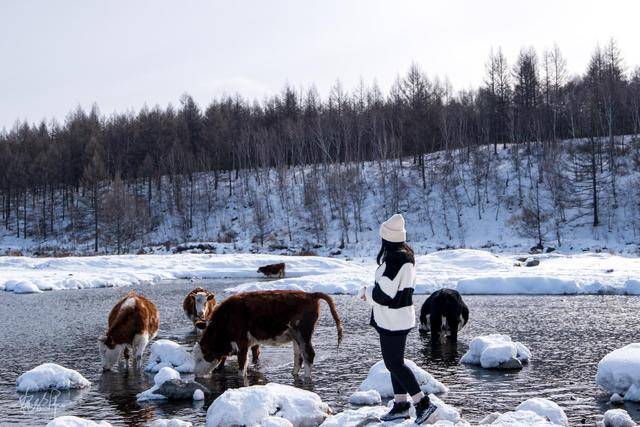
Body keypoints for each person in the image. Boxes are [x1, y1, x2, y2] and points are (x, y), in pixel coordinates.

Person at [360, 214, 437, 423]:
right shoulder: (406, 255)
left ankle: (422, 404)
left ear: (386, 237)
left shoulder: (394, 259)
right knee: (395, 362)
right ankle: (401, 404)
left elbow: (384, 295)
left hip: (392, 319)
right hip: (401, 317)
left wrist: (366, 293)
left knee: (394, 364)